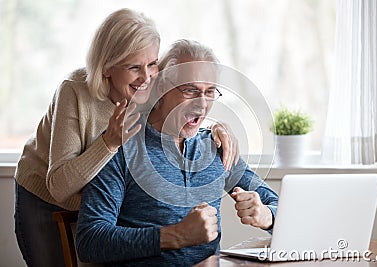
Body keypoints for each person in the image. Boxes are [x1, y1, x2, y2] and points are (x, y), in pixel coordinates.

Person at [14, 9, 239, 267]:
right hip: (45, 195)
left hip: (98, 196)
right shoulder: (74, 91)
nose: (147, 77)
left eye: (153, 63)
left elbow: (182, 107)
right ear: (107, 67)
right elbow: (59, 186)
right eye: (134, 67)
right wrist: (109, 143)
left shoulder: (149, 85)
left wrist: (214, 129)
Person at [76, 39, 278, 266]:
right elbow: (90, 240)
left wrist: (266, 215)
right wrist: (175, 235)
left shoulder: (215, 146)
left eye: (210, 92)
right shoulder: (122, 146)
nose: (202, 104)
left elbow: (278, 204)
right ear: (162, 87)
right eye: (191, 90)